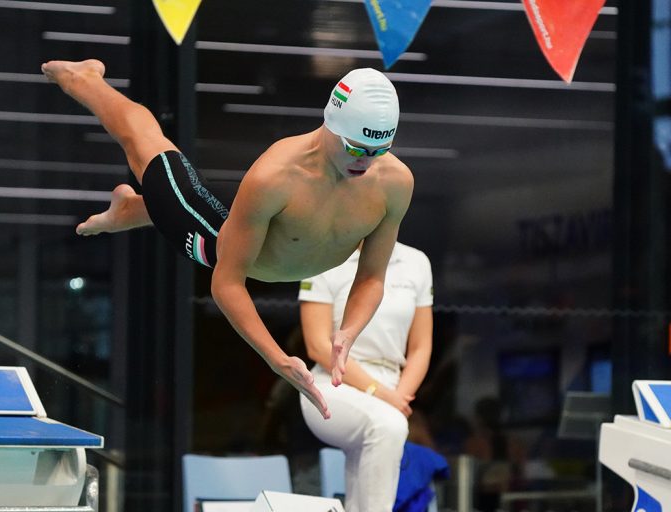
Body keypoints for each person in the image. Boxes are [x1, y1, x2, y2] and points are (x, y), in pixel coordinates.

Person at [41, 60, 413, 419]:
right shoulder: (276, 176)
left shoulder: (394, 182)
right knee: (147, 149)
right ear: (331, 123)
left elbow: (371, 277)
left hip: (261, 231)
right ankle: (84, 78)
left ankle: (134, 209)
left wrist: (349, 330)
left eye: (379, 150)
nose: (366, 161)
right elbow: (227, 283)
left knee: (182, 196)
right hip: (216, 237)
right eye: (355, 147)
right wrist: (277, 359)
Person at [298, 241, 433, 511]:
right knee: (389, 425)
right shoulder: (323, 254)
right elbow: (317, 345)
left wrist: (399, 396)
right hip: (333, 384)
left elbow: (420, 347)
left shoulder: (416, 261)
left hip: (393, 386)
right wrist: (380, 393)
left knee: (377, 441)